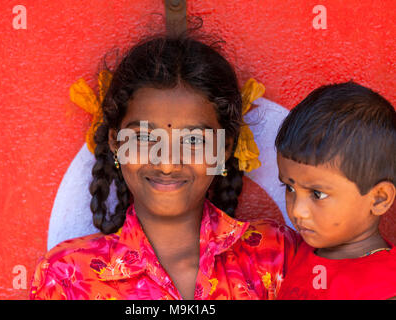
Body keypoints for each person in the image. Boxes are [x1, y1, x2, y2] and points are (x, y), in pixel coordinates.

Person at [29, 32, 301, 300]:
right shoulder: (67, 277)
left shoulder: (275, 256)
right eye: (145, 138)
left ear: (224, 148)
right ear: (116, 143)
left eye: (193, 139)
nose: (168, 163)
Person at [274, 81, 396, 300]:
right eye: (290, 187)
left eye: (317, 194)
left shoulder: (386, 286)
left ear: (379, 199)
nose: (298, 211)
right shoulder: (294, 254)